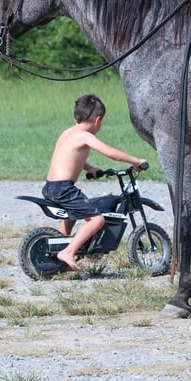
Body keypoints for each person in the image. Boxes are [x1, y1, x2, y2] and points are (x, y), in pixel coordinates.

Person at [42, 94, 147, 272]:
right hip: (63, 188)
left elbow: (69, 158)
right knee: (97, 220)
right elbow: (109, 152)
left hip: (51, 186)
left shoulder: (67, 133)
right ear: (98, 120)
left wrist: (89, 168)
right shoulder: (85, 136)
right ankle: (69, 252)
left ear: (76, 117)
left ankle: (61, 251)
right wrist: (135, 160)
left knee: (70, 217)